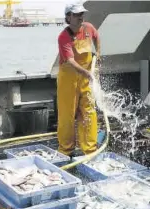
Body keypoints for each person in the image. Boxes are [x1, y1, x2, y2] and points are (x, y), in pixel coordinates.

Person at [56, 3, 101, 156]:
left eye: (82, 13)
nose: (80, 17)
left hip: (85, 78)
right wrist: (87, 73)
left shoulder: (88, 28)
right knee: (67, 115)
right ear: (68, 17)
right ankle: (66, 150)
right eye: (76, 14)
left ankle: (89, 149)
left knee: (89, 111)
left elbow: (96, 36)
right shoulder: (63, 37)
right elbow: (71, 61)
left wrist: (98, 54)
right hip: (69, 79)